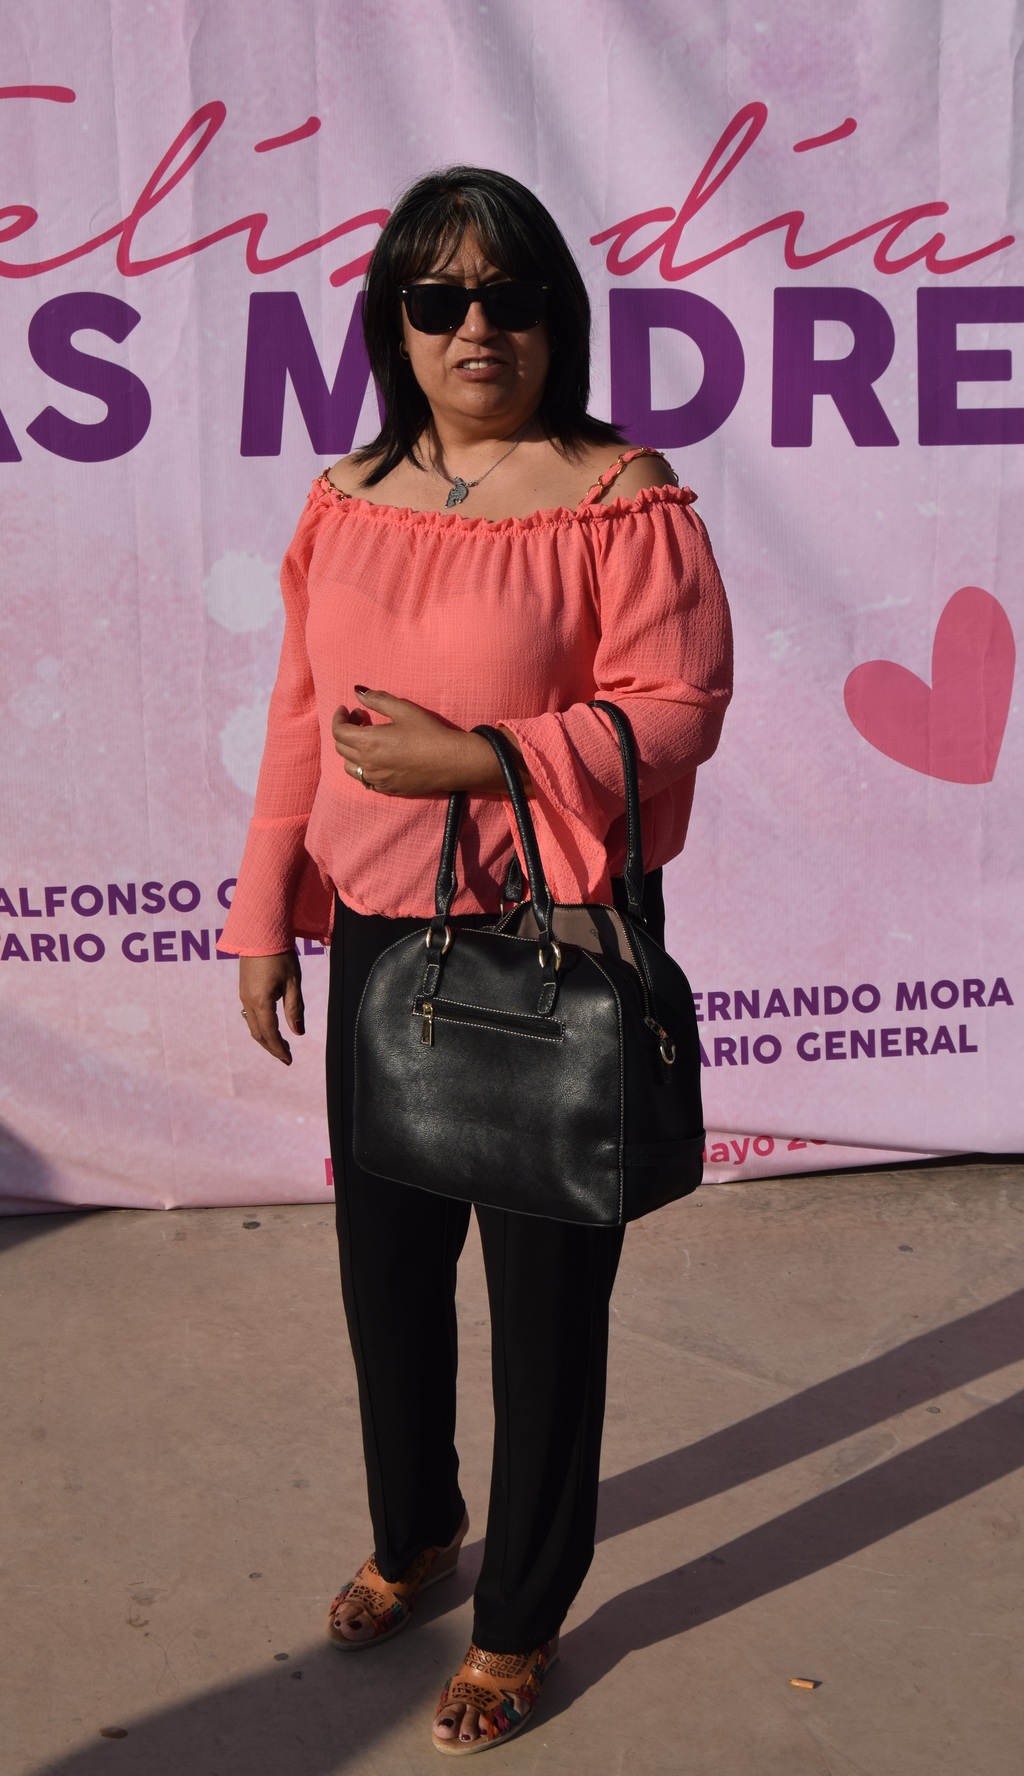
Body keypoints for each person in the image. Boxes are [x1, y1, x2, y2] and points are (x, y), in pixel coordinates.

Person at [219, 165, 732, 1754]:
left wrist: (485, 761)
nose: (476, 328)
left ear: (556, 317)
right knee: (386, 1279)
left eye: (509, 297)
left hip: (549, 942)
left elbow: (681, 707)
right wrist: (262, 910)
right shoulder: (347, 494)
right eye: (438, 300)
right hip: (385, 942)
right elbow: (301, 719)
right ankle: (416, 1530)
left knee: (546, 1306)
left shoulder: (617, 492)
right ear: (395, 322)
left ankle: (519, 1616)